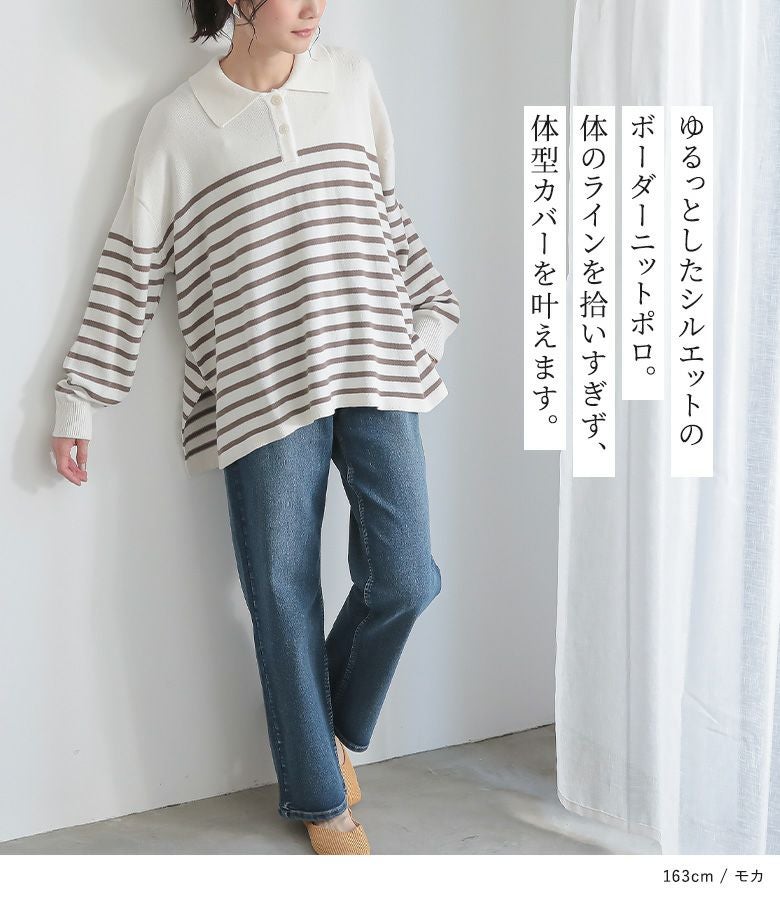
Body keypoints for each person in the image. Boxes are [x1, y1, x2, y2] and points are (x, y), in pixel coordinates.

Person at [50, 0, 460, 855]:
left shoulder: (350, 81)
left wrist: (430, 316)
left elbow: (383, 212)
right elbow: (131, 267)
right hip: (259, 390)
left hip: (375, 364)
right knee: (281, 594)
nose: (313, 8)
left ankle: (328, 734)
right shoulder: (179, 123)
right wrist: (80, 396)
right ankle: (320, 799)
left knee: (407, 579)